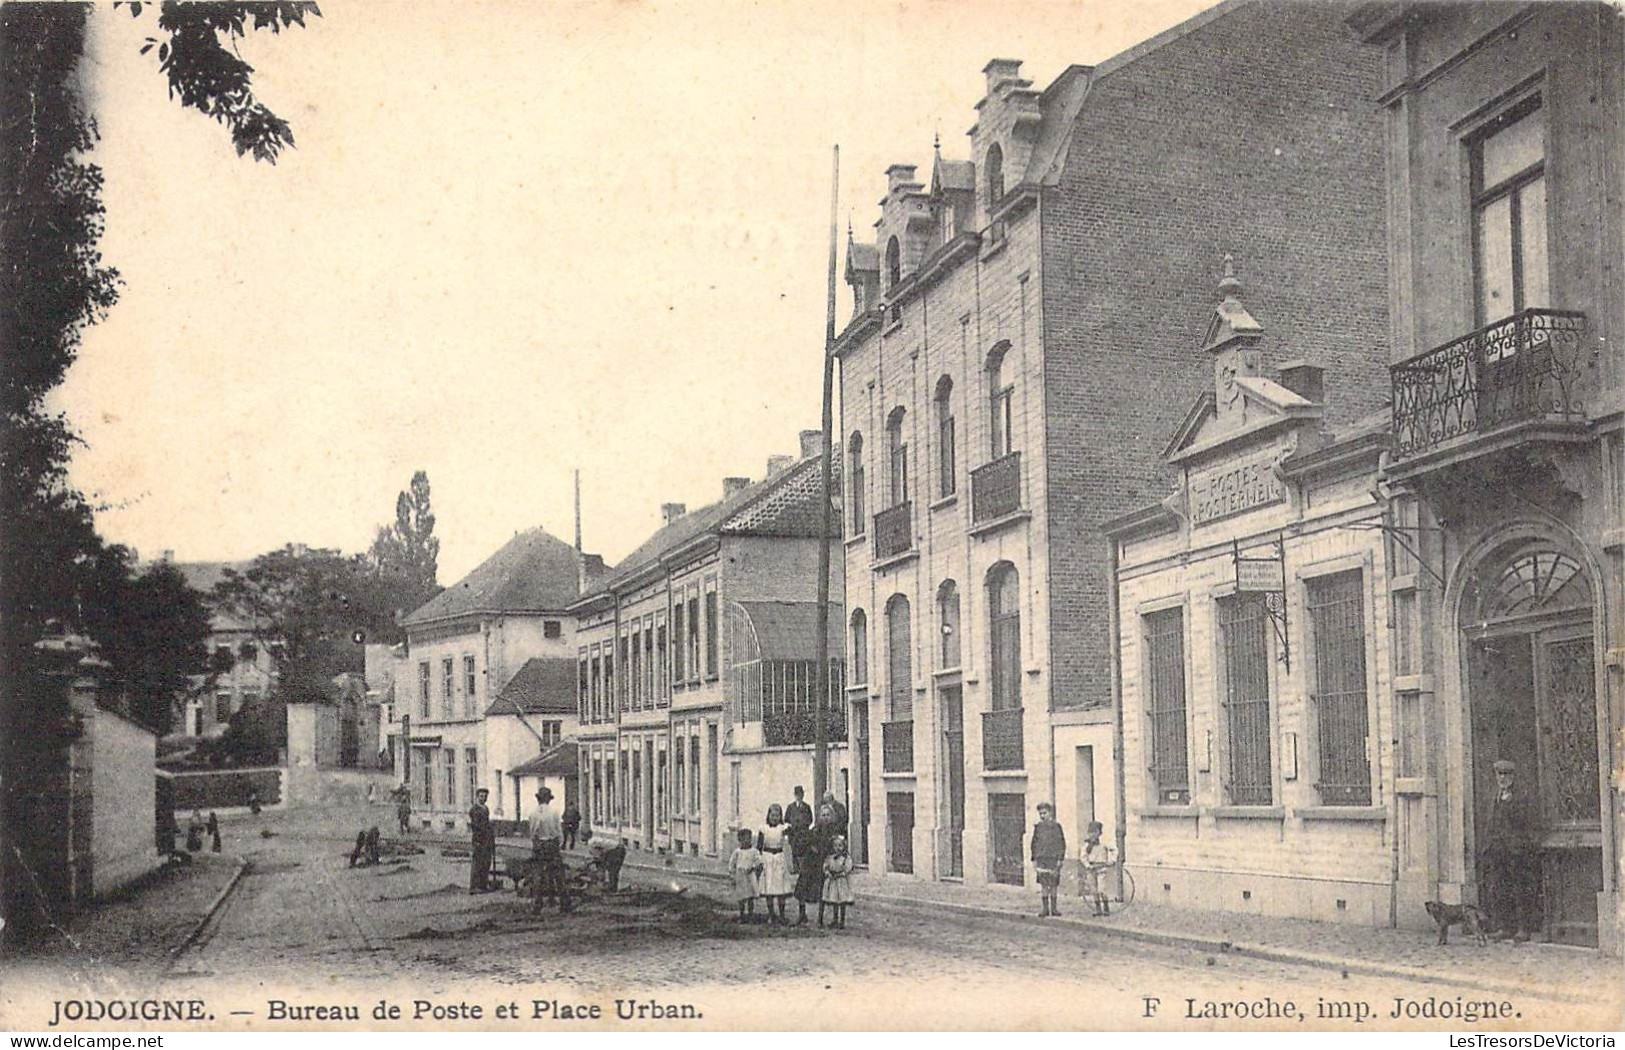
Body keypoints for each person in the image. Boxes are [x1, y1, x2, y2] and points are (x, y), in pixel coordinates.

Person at [1481, 759, 1541, 942]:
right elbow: (1491, 822)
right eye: (1500, 774)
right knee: (1500, 889)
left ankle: (1524, 928)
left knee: (1520, 889)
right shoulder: (1495, 796)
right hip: (1498, 850)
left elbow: (1530, 823)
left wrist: (1525, 845)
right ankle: (1504, 927)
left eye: (1506, 774)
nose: (1503, 778)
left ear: (1513, 776)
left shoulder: (1522, 796)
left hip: (1516, 851)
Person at [791, 803, 835, 926]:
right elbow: (806, 841)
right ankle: (802, 914)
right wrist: (811, 846)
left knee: (821, 890)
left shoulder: (834, 831)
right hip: (811, 861)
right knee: (802, 887)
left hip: (823, 862)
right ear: (819, 817)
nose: (825, 817)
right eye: (823, 815)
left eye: (828, 815)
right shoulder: (815, 829)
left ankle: (820, 918)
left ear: (832, 816)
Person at [529, 787, 570, 914]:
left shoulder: (533, 813)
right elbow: (559, 832)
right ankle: (564, 903)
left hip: (539, 845)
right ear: (548, 799)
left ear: (538, 799)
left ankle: (537, 905)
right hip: (552, 845)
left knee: (538, 875)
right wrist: (560, 844)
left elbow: (532, 832)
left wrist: (536, 843)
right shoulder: (554, 812)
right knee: (558, 874)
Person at [756, 803, 794, 925]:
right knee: (769, 888)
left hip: (779, 858)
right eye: (772, 815)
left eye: (777, 815)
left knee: (780, 888)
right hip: (767, 858)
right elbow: (759, 846)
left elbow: (792, 833)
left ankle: (782, 915)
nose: (774, 818)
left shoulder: (783, 829)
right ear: (768, 815)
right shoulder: (763, 829)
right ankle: (771, 914)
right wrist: (759, 861)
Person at [1031, 802, 1066, 917]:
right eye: (1040, 814)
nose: (1042, 816)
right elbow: (1034, 843)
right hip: (1042, 859)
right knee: (1044, 884)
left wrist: (1060, 859)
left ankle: (1054, 908)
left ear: (1050, 813)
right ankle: (1045, 909)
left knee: (1054, 884)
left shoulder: (1056, 827)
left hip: (1053, 859)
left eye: (1044, 813)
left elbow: (1061, 843)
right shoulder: (1038, 827)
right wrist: (1034, 859)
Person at [727, 827, 763, 923]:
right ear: (740, 840)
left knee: (750, 896)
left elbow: (759, 861)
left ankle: (750, 915)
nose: (746, 841)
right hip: (740, 876)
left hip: (750, 875)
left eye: (748, 838)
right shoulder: (737, 852)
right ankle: (742, 915)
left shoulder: (754, 851)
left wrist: (754, 867)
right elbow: (732, 863)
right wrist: (732, 875)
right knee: (741, 897)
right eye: (744, 839)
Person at [822, 834, 855, 929]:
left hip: (841, 881)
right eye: (835, 846)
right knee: (834, 901)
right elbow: (825, 866)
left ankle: (842, 921)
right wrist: (828, 873)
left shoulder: (846, 858)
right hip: (833, 881)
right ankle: (835, 919)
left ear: (844, 846)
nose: (837, 848)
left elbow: (848, 869)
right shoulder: (830, 857)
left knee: (842, 901)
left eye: (840, 845)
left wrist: (840, 874)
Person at [1079, 821, 1111, 916]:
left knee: (1102, 889)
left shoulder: (1104, 843)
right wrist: (1087, 865)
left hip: (1101, 868)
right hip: (1091, 869)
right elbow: (1083, 857)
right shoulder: (1086, 845)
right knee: (1094, 889)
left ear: (1100, 833)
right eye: (1090, 832)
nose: (1092, 834)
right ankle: (1098, 909)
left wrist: (1111, 861)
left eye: (1095, 832)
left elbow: (1114, 850)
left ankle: (1106, 907)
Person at [468, 787, 496, 894]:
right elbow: (476, 826)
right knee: (477, 863)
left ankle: (483, 885)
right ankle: (474, 886)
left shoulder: (485, 808)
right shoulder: (474, 810)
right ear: (477, 797)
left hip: (487, 840)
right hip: (479, 839)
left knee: (486, 862)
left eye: (485, 796)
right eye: (481, 796)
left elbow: (486, 824)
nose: (483, 798)